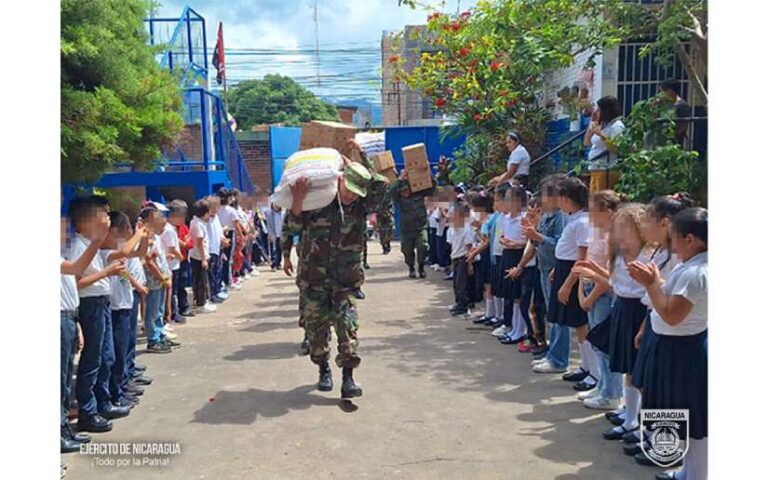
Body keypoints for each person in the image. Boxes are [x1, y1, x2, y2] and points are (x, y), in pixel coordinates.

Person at [282, 142, 388, 398]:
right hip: (313, 279)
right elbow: (292, 227)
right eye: (348, 189)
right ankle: (323, 369)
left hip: (345, 280)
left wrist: (356, 160)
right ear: (338, 181)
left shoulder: (360, 206)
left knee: (347, 329)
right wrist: (297, 199)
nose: (350, 195)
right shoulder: (315, 201)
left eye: (355, 191)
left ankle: (348, 379)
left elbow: (383, 184)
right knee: (316, 336)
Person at [628, 207, 707, 480]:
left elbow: (672, 315)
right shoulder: (691, 265)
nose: (671, 244)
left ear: (691, 239)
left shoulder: (696, 272)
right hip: (676, 345)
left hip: (683, 348)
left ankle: (696, 474)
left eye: (674, 237)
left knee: (693, 417)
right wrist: (657, 282)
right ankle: (684, 468)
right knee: (676, 410)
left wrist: (651, 284)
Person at [67, 197, 131, 432]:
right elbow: (78, 281)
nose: (107, 220)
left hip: (100, 302)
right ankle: (88, 410)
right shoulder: (78, 247)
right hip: (90, 304)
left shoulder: (91, 245)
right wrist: (107, 272)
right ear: (87, 222)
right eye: (102, 216)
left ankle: (101, 402)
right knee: (93, 359)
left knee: (106, 356)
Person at [532, 177, 589, 374]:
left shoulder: (578, 221)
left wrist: (567, 283)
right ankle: (569, 361)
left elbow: (581, 256)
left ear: (564, 199)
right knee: (557, 316)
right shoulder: (573, 219)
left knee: (571, 321)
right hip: (560, 268)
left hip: (570, 272)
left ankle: (565, 361)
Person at [573, 190, 623, 410]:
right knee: (596, 342)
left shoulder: (613, 239)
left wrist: (591, 296)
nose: (591, 215)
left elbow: (609, 274)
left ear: (609, 212)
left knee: (604, 345)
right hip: (591, 286)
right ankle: (603, 385)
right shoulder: (598, 233)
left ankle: (611, 393)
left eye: (595, 210)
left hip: (602, 292)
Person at [61, 213, 102, 451]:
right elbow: (78, 269)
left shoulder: (61, 255)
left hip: (69, 315)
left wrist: (75, 324)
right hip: (61, 318)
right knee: (60, 380)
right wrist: (97, 241)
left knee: (66, 379)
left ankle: (65, 427)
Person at [101, 211, 150, 414]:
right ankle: (116, 392)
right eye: (128, 227)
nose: (131, 231)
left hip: (125, 303)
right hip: (115, 307)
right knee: (117, 353)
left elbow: (138, 253)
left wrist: (144, 238)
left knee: (125, 347)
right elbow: (127, 252)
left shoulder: (119, 248)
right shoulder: (106, 252)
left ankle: (122, 388)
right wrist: (139, 234)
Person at [522, 174, 568, 356]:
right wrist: (532, 233)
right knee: (551, 313)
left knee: (557, 316)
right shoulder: (548, 216)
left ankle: (558, 356)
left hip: (553, 269)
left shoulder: (561, 218)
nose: (541, 200)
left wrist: (538, 236)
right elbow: (537, 241)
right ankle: (552, 351)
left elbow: (561, 245)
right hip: (543, 267)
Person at [493, 186, 528, 342]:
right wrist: (504, 241)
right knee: (510, 295)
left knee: (518, 295)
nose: (506, 202)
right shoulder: (506, 218)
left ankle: (520, 330)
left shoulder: (524, 218)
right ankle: (513, 328)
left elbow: (528, 242)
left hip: (518, 256)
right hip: (507, 253)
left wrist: (516, 245)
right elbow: (501, 235)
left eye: (508, 198)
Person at [140, 206, 175, 354]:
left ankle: (160, 335)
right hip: (154, 281)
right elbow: (149, 262)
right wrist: (162, 278)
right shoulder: (146, 238)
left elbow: (158, 258)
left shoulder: (156, 236)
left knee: (159, 310)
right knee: (153, 311)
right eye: (158, 215)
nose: (162, 218)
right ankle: (153, 340)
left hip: (161, 278)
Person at [391, 170, 435, 279]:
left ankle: (421, 267)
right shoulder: (399, 198)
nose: (405, 192)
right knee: (407, 250)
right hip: (406, 228)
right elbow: (391, 192)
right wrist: (401, 178)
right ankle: (411, 267)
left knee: (423, 246)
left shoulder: (419, 192)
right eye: (403, 190)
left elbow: (432, 189)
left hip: (420, 226)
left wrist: (428, 174)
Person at [584, 96, 625, 193]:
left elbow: (616, 148)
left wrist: (601, 135)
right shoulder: (602, 125)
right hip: (595, 168)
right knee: (593, 199)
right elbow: (587, 143)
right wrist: (592, 126)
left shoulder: (616, 126)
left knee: (601, 199)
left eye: (598, 110)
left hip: (606, 168)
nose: (596, 112)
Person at [447, 203, 475, 316]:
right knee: (456, 283)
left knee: (461, 284)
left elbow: (470, 248)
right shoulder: (452, 230)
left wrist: (470, 264)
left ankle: (464, 305)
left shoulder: (466, 230)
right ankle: (458, 303)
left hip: (464, 258)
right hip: (455, 258)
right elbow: (451, 246)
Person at [189, 199, 215, 314]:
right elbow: (199, 243)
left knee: (202, 280)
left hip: (199, 256)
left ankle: (203, 300)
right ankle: (201, 303)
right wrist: (204, 258)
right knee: (200, 281)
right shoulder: (198, 224)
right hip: (199, 257)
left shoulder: (196, 222)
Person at [163, 200, 186, 324]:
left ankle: (171, 313)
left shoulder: (168, 228)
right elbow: (172, 247)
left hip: (170, 264)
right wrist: (181, 256)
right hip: (171, 265)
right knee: (172, 292)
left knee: (172, 291)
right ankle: (172, 313)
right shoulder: (170, 230)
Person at [205, 195, 228, 303]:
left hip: (217, 248)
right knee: (211, 274)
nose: (216, 209)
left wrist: (223, 239)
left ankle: (217, 291)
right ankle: (212, 294)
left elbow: (219, 232)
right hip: (209, 250)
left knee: (217, 271)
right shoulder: (206, 219)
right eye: (214, 207)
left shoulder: (216, 218)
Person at [659, 78, 692, 145]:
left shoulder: (682, 105)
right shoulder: (662, 104)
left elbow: (683, 125)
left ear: (670, 91)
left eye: (662, 91)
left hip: (674, 143)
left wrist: (672, 135)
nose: (661, 94)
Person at [376, 187, 395, 255]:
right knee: (381, 231)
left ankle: (388, 243)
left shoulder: (389, 191)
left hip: (388, 213)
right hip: (380, 214)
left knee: (390, 228)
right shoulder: (377, 192)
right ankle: (384, 246)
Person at [266, 202, 285, 271]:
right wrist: (269, 234)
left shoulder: (283, 213)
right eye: (275, 205)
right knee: (274, 249)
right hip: (274, 234)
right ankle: (274, 264)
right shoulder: (270, 214)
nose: (276, 206)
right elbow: (269, 225)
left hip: (281, 234)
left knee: (280, 250)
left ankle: (277, 263)